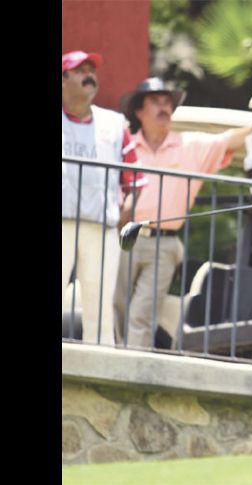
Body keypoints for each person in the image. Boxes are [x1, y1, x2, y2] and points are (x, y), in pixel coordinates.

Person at [113, 77, 252, 349]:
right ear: (139, 111)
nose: (164, 107)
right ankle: (111, 363)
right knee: (114, 308)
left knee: (142, 313)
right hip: (123, 236)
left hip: (164, 243)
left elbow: (228, 140)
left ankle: (131, 371)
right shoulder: (122, 144)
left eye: (167, 103)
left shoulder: (190, 145)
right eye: (156, 102)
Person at [62, 50, 146, 345]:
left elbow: (136, 178)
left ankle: (99, 376)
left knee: (100, 311)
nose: (90, 75)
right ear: (63, 79)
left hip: (101, 227)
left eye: (91, 70)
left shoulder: (114, 124)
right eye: (80, 70)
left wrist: (124, 214)